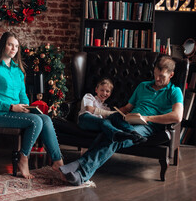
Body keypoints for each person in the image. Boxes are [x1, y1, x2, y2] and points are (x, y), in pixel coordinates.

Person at [60, 55, 184, 185]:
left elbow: (177, 116)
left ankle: (82, 173)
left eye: (162, 76)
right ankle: (79, 167)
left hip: (147, 126)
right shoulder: (143, 86)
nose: (157, 79)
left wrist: (147, 118)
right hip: (128, 121)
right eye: (156, 74)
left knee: (116, 138)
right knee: (110, 128)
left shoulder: (174, 92)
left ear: (171, 75)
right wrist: (115, 114)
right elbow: (127, 108)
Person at [0, 31, 64, 179]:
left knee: (45, 118)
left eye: (16, 46)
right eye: (10, 45)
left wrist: (27, 108)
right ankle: (23, 158)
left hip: (15, 112)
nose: (14, 49)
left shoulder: (18, 71)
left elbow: (23, 96)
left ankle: (58, 160)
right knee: (36, 120)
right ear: (3, 46)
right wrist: (11, 107)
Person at [78, 77, 146, 143]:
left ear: (110, 94)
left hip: (98, 124)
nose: (104, 93)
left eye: (107, 91)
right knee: (105, 120)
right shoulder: (89, 97)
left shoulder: (106, 108)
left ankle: (134, 133)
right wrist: (111, 113)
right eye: (102, 90)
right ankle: (117, 134)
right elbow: (89, 109)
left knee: (109, 120)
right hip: (84, 119)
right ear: (96, 90)